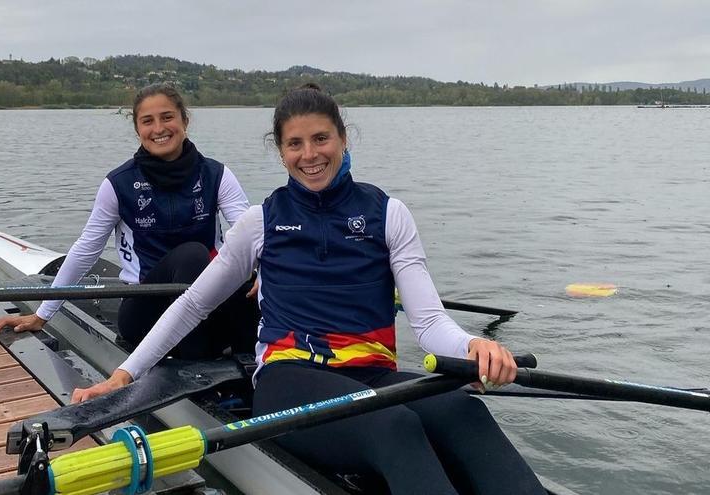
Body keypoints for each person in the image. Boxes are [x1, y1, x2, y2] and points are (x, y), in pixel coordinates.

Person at [71, 84, 544, 494]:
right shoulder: (260, 224)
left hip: (372, 375)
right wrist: (123, 377)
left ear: (342, 138)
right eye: (294, 144)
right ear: (281, 152)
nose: (310, 154)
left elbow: (429, 321)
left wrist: (475, 347)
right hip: (287, 380)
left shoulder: (390, 214)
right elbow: (193, 305)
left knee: (466, 413)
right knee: (396, 427)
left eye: (321, 138)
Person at [0, 83, 258, 359]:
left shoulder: (217, 175)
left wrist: (264, 269)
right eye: (147, 121)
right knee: (193, 255)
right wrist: (42, 315)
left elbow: (249, 235)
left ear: (184, 121)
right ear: (137, 130)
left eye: (167, 117)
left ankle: (255, 361)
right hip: (145, 309)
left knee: (248, 269)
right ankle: (199, 359)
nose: (159, 129)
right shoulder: (119, 184)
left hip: (204, 304)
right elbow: (87, 250)